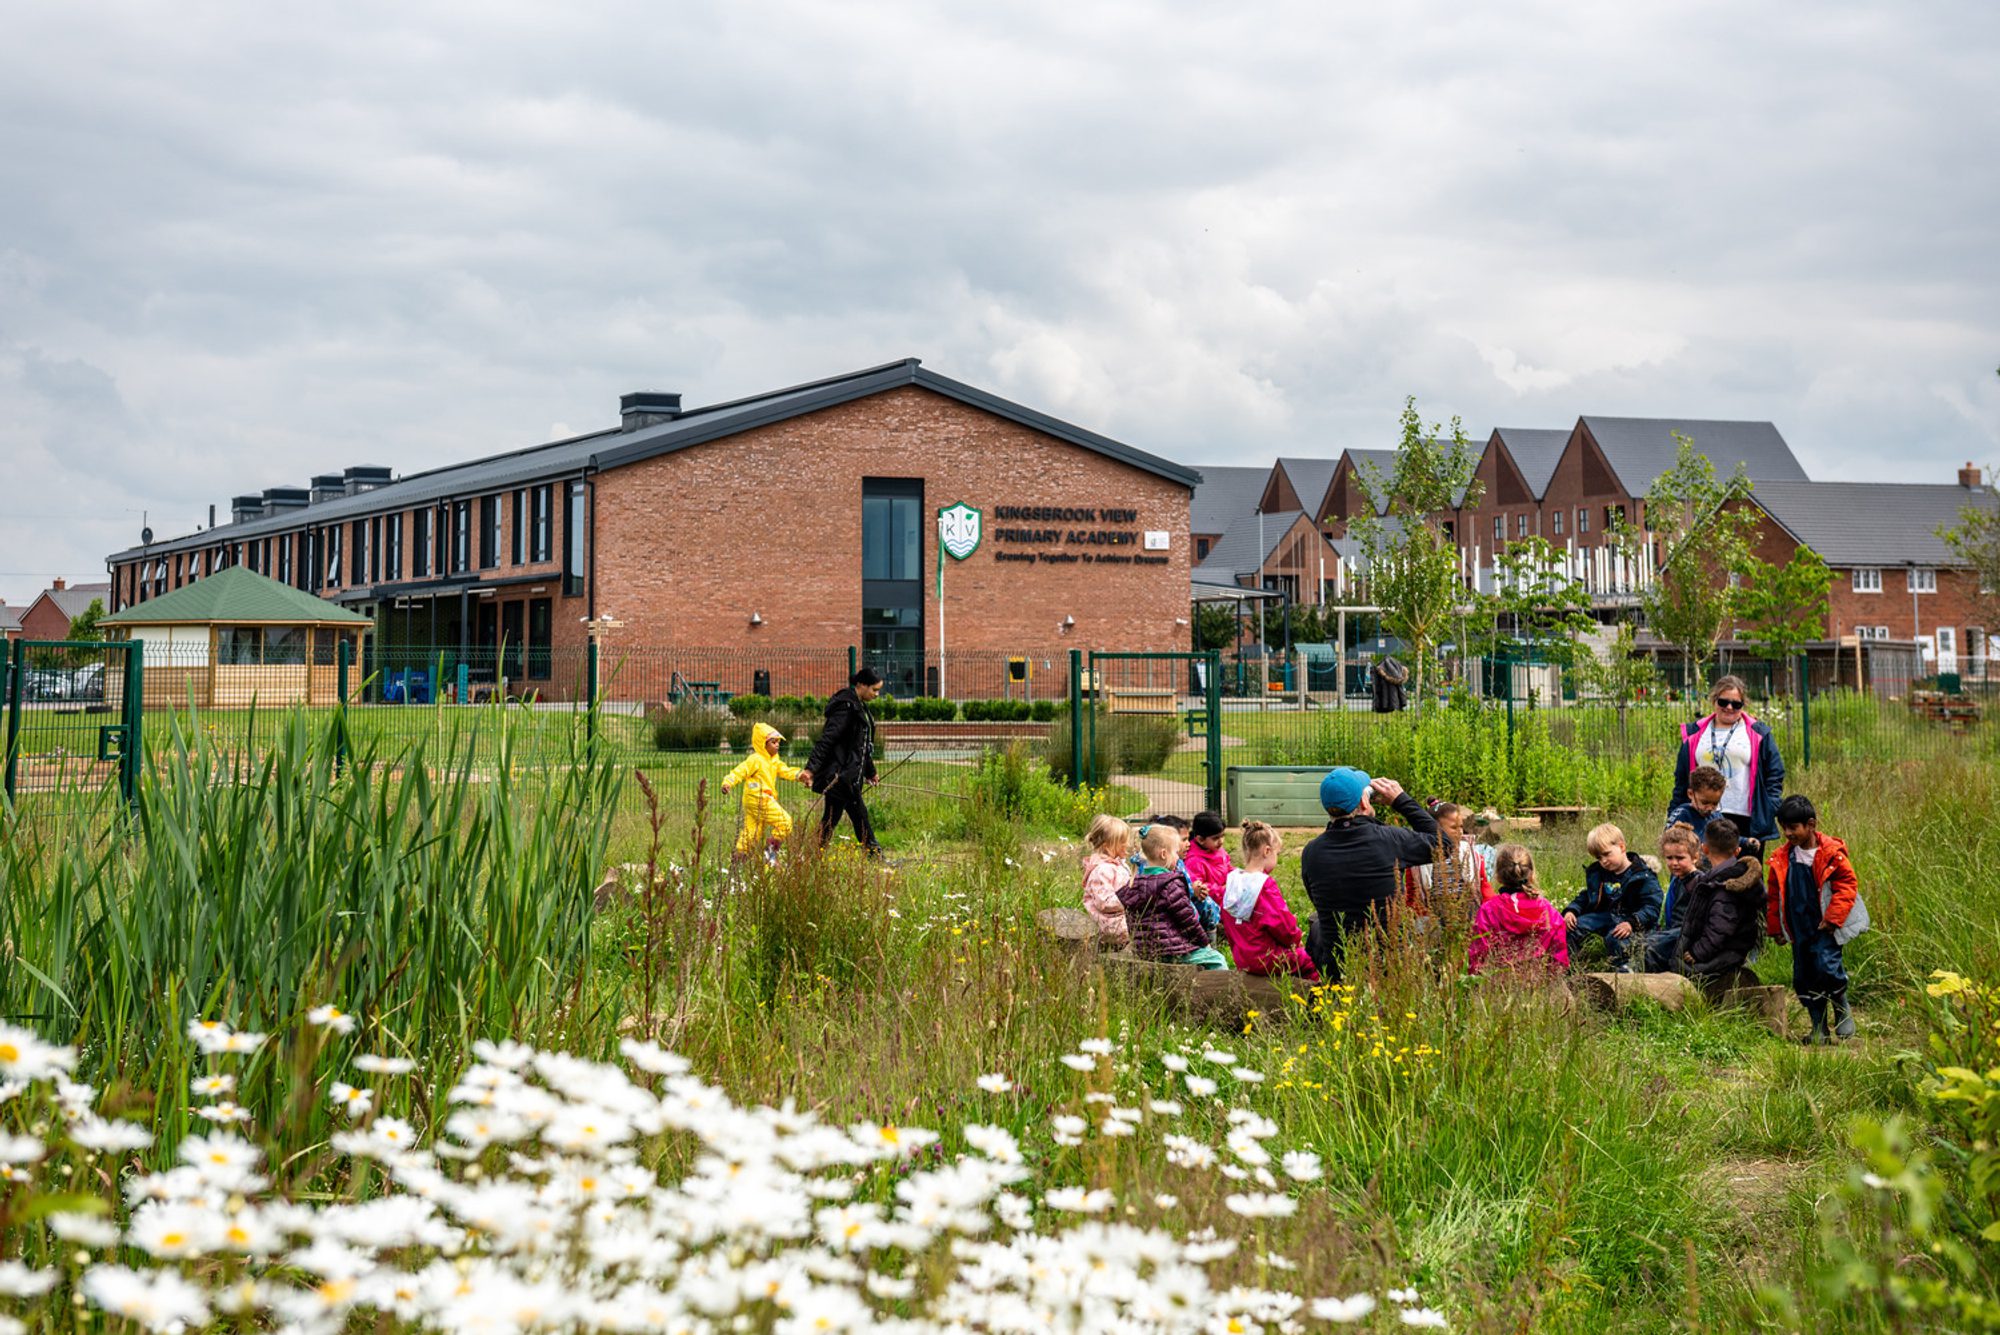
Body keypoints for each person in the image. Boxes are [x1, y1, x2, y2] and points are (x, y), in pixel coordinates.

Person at [1300, 767, 1439, 982]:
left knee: (1318, 926)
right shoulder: (1389, 839)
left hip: (1340, 965)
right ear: (1365, 803)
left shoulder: (1312, 852)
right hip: (1388, 962)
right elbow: (1444, 843)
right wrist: (1400, 800)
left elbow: (1316, 900)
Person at [1764, 794, 1866, 1045]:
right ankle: (1818, 1025)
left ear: (1811, 824)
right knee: (1803, 975)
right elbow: (1775, 895)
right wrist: (1776, 928)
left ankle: (1841, 1005)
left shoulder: (1831, 853)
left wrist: (1833, 918)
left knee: (1827, 966)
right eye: (1784, 828)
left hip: (1826, 927)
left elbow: (1847, 886)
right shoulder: (1782, 858)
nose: (1788, 833)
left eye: (1793, 827)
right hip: (1799, 927)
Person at [1672, 675, 1786, 842]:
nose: (1729, 707)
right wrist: (1675, 814)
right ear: (1714, 700)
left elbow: (1775, 772)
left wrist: (1770, 806)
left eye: (1736, 704)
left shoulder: (1758, 733)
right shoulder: (1694, 734)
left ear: (1743, 704)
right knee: (1705, 866)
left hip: (1746, 817)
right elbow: (1681, 780)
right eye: (1723, 702)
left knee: (1747, 867)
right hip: (1703, 814)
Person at [1116, 823, 1228, 970]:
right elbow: (1188, 920)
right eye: (1175, 852)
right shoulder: (1170, 884)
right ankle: (1219, 991)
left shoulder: (1134, 883)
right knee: (1217, 959)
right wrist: (1204, 942)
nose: (1177, 856)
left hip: (1144, 950)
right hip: (1170, 950)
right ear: (1164, 854)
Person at [1671, 816, 1766, 988]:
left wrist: (1697, 952)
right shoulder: (1718, 878)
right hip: (1726, 948)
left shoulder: (1725, 886)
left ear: (1704, 849)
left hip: (1726, 951)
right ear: (1737, 851)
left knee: (1676, 964)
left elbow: (1720, 927)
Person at [1218, 821, 1319, 981]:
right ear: (1267, 851)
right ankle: (1318, 996)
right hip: (1267, 958)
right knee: (1308, 961)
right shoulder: (1264, 886)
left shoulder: (1231, 882)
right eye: (1276, 853)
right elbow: (1282, 924)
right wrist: (1296, 939)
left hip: (1242, 957)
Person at [801, 668, 884, 857]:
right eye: (874, 689)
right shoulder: (845, 708)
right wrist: (810, 769)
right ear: (861, 685)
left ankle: (812, 857)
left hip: (848, 776)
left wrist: (870, 771)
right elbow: (827, 740)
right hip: (840, 776)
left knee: (831, 819)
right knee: (859, 816)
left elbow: (861, 745)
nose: (877, 694)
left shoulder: (859, 705)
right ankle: (876, 857)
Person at [1562, 823, 1663, 970]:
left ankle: (1622, 971)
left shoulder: (1642, 875)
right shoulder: (1600, 872)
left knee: (1616, 939)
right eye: (1598, 857)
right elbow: (1586, 895)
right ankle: (1572, 967)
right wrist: (1572, 910)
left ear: (1622, 847)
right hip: (1606, 916)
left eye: (1607, 854)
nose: (1603, 861)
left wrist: (1632, 922)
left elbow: (1652, 906)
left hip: (1631, 920)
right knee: (1571, 927)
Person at [1468, 844, 1568, 976]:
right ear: (1531, 875)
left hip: (1499, 983)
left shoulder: (1489, 910)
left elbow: (1478, 953)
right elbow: (1559, 950)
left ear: (1498, 876)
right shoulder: (1546, 909)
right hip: (1539, 981)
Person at [721, 722, 807, 863]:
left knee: (751, 833)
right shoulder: (756, 759)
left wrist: (799, 775)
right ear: (763, 744)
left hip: (753, 802)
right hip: (760, 799)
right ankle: (770, 853)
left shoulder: (774, 760)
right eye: (773, 742)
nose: (777, 745)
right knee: (785, 822)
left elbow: (785, 771)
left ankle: (737, 862)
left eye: (778, 742)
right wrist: (728, 782)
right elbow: (740, 771)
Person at [1405, 801, 1492, 911]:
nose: (1460, 832)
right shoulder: (1418, 861)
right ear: (1435, 829)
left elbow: (1485, 888)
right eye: (1454, 827)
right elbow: (1412, 894)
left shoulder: (1470, 855)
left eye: (1461, 826)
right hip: (1432, 915)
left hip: (1465, 911)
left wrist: (1489, 911)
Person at [1642, 823, 1704, 972]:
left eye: (1680, 858)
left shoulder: (1699, 882)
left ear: (1695, 857)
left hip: (1687, 934)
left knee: (1653, 947)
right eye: (1669, 858)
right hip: (1673, 930)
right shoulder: (1677, 880)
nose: (1674, 863)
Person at [1080, 814, 1134, 949]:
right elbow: (1104, 902)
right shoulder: (1101, 871)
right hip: (1109, 925)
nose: (1127, 844)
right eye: (1123, 842)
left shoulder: (1118, 864)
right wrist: (1132, 898)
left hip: (1121, 917)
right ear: (1107, 846)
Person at [1182, 811, 1233, 932]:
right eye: (1216, 838)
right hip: (1215, 903)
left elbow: (1227, 866)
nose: (1221, 841)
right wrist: (1224, 889)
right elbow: (1201, 889)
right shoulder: (1194, 860)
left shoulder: (1217, 849)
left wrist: (1237, 875)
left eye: (1222, 836)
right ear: (1200, 839)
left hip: (1227, 894)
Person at [1665, 765, 1728, 839]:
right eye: (1705, 802)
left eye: (1715, 803)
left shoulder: (1716, 817)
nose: (1710, 808)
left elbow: (1728, 837)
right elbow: (1668, 842)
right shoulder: (1682, 815)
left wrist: (1744, 841)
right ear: (1691, 794)